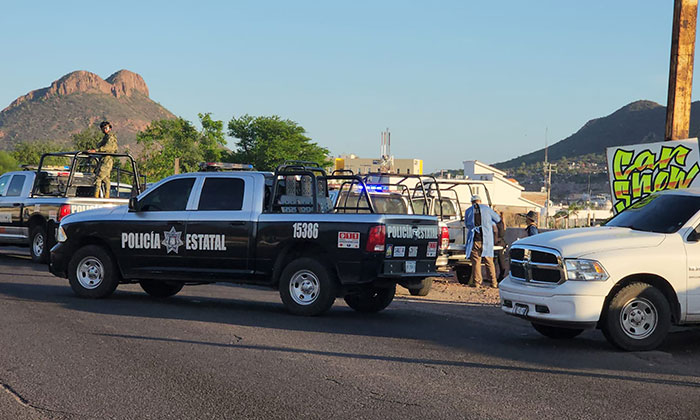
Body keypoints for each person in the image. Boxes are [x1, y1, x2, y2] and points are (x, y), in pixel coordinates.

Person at [464, 194, 501, 288]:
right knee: (489, 261)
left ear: (472, 202)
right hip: (486, 239)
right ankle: (494, 282)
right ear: (480, 201)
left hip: (474, 239)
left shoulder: (468, 210)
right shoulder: (487, 209)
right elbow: (498, 219)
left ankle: (477, 283)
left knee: (476, 261)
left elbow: (467, 224)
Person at [91, 121, 118, 198]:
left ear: (110, 128)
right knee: (106, 179)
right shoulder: (106, 137)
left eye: (106, 128)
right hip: (104, 159)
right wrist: (94, 149)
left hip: (107, 160)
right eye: (103, 128)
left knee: (98, 178)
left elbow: (108, 148)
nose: (105, 130)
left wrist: (97, 150)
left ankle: (96, 196)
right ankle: (106, 195)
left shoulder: (110, 137)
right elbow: (100, 145)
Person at [493, 210, 508, 282]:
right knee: (501, 261)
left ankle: (498, 276)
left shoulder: (495, 223)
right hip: (502, 243)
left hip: (497, 243)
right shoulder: (502, 223)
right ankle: (501, 275)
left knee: (497, 261)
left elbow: (495, 232)